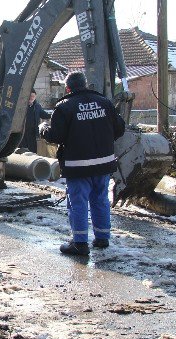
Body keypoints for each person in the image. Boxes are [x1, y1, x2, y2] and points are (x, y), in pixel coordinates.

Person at [39, 71, 125, 256]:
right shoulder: (104, 102)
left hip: (78, 166)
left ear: (68, 87)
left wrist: (44, 129)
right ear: (85, 85)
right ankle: (102, 238)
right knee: (100, 199)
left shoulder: (64, 106)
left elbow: (56, 136)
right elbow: (119, 129)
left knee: (77, 203)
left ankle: (79, 243)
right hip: (103, 164)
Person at [20, 89, 51, 153]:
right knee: (22, 153)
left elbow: (44, 115)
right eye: (30, 96)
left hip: (33, 134)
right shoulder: (21, 106)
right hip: (22, 134)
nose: (31, 98)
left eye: (33, 96)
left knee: (32, 152)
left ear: (35, 97)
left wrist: (54, 115)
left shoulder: (37, 106)